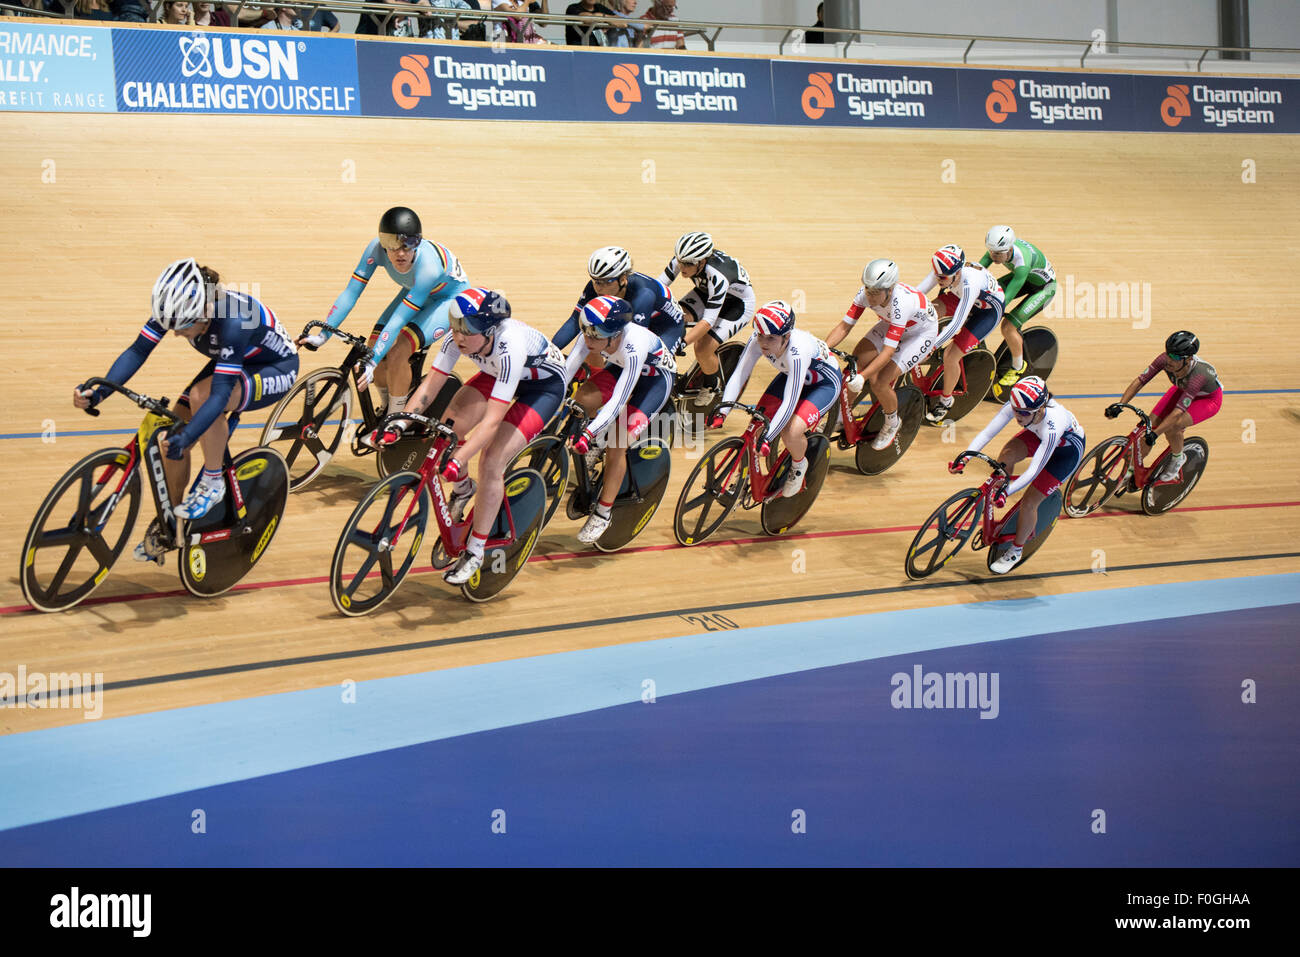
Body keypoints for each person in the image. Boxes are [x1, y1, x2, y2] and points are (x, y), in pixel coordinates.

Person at [73, 259, 299, 560]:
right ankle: (173, 524)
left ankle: (213, 479)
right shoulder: (176, 307)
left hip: (274, 367)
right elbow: (138, 350)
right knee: (171, 436)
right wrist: (101, 391)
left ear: (205, 310)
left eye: (183, 327)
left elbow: (218, 395)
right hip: (232, 359)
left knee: (201, 399)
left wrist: (192, 433)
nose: (176, 334)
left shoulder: (234, 320)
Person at [371, 288, 567, 585]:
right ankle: (463, 490)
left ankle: (475, 551)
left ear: (489, 331)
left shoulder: (508, 345)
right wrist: (397, 424)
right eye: (455, 325)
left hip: (542, 389)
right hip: (497, 374)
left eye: (468, 329)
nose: (459, 335)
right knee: (447, 430)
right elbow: (428, 388)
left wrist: (460, 458)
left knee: (490, 461)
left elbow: (491, 423)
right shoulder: (457, 338)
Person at [302, 207, 469, 425]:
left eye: (408, 244)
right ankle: (387, 406)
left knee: (399, 350)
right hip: (415, 290)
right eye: (392, 244)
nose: (400, 252)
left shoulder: (428, 267)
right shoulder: (375, 250)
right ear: (382, 242)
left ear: (417, 242)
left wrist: (373, 361)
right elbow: (351, 292)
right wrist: (324, 335)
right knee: (372, 349)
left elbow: (399, 319)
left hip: (447, 299)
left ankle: (395, 418)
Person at [563, 296, 676, 542]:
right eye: (586, 333)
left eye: (596, 336)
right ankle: (595, 443)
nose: (588, 340)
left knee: (617, 443)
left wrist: (590, 432)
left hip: (655, 380)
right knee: (582, 398)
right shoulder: (593, 334)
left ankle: (603, 513)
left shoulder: (633, 345)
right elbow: (567, 372)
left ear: (615, 335)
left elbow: (618, 400)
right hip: (619, 366)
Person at [951, 376, 1084, 574]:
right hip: (1037, 435)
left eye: (1023, 413)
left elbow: (1033, 471)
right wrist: (965, 457)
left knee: (1029, 502)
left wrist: (1010, 490)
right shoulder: (1019, 405)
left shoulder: (1052, 426)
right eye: (1015, 410)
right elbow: (988, 433)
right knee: (1007, 454)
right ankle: (1000, 490)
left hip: (1065, 453)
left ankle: (1016, 550)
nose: (1017, 416)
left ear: (1039, 409)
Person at [711, 301, 842, 499]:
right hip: (791, 376)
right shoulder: (758, 340)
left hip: (823, 385)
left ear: (786, 337)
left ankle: (799, 466)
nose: (764, 343)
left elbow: (790, 402)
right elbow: (739, 375)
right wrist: (722, 411)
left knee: (790, 432)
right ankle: (744, 477)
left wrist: (769, 438)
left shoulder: (797, 352)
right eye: (760, 335)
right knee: (756, 424)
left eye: (771, 338)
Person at [823, 258, 939, 450]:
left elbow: (888, 351)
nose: (870, 296)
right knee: (855, 364)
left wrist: (863, 377)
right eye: (868, 289)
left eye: (875, 292)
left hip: (920, 333)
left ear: (890, 290)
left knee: (879, 382)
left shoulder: (900, 304)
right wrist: (823, 348)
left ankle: (892, 422)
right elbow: (844, 327)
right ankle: (842, 418)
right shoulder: (865, 293)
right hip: (892, 323)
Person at [1108, 330, 1221, 482]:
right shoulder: (1164, 360)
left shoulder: (1198, 376)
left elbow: (1177, 413)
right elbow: (1140, 381)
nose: (1169, 359)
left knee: (1173, 427)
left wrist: (1156, 435)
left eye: (1174, 357)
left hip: (1207, 400)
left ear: (1187, 360)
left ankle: (1177, 459)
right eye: (1168, 353)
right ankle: (1132, 470)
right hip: (1182, 390)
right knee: (1148, 427)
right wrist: (1120, 404)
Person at [659, 231, 756, 405]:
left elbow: (708, 321)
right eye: (680, 261)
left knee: (703, 347)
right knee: (670, 316)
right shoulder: (684, 259)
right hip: (707, 294)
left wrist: (681, 343)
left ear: (702, 261)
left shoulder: (718, 275)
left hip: (736, 305)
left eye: (688, 264)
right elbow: (658, 289)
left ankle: (712, 385)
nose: (682, 267)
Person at [915, 244, 1005, 424]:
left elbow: (957, 322)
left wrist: (932, 346)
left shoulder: (969, 282)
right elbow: (917, 294)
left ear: (957, 273)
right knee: (926, 312)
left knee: (950, 356)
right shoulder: (944, 270)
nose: (938, 279)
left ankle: (946, 401)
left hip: (987, 311)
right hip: (961, 298)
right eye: (937, 275)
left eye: (943, 277)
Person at [553, 246, 685, 356]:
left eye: (606, 282)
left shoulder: (643, 294)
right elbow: (574, 322)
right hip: (635, 319)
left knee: (647, 363)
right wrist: (550, 352)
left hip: (666, 327)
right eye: (596, 281)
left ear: (622, 279)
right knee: (591, 339)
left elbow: (635, 344)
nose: (598, 287)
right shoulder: (596, 285)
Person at [979, 225, 1057, 388]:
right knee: (991, 290)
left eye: (998, 254)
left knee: (1008, 326)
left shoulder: (1022, 263)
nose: (993, 256)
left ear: (1008, 250)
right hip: (1028, 279)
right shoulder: (998, 247)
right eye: (991, 251)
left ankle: (1018, 366)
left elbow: (1005, 299)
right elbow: (979, 271)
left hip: (1044, 288)